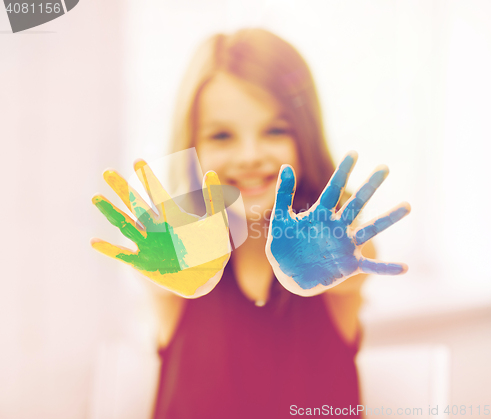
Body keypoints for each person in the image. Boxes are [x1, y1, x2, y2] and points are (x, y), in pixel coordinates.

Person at [92, 28, 410, 419]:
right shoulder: (178, 268)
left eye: (275, 130)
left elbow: (358, 265)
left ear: (305, 134)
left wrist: (323, 265)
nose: (250, 155)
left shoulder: (337, 258)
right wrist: (178, 264)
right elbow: (155, 281)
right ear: (192, 145)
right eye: (222, 135)